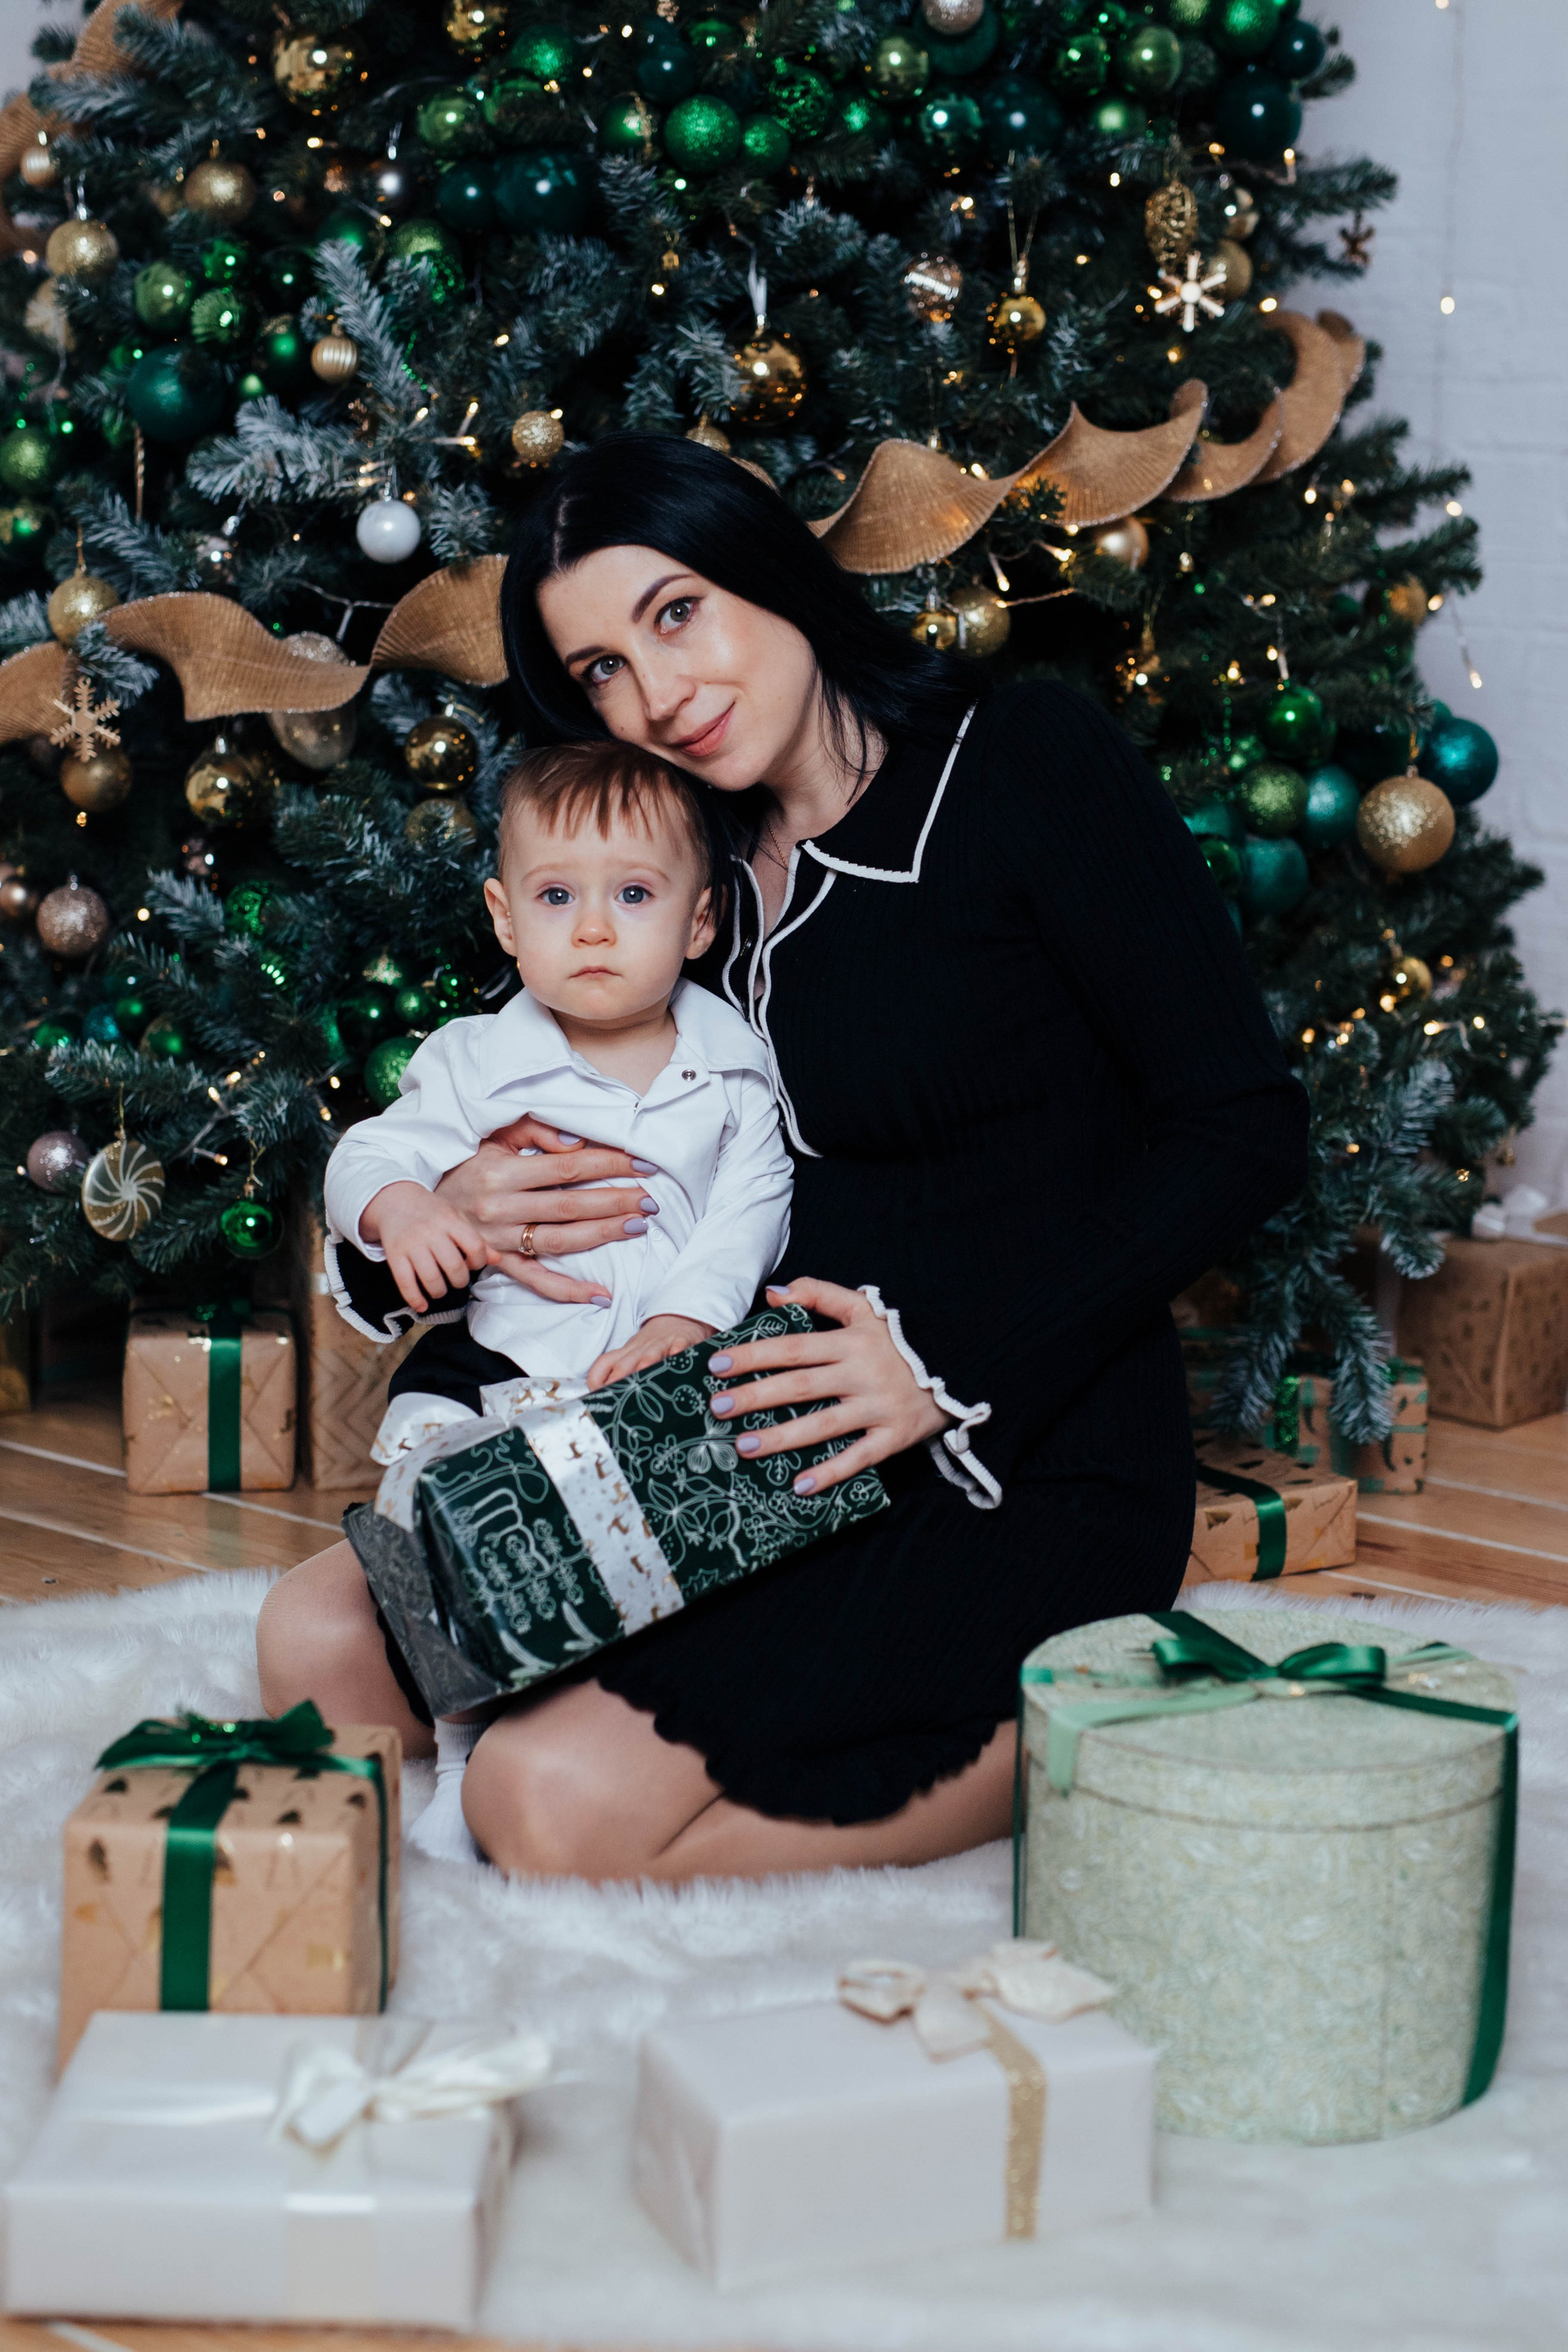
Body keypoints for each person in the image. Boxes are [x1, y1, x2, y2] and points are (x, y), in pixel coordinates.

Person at [258, 434, 1309, 1886]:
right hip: (738, 1428)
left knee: (542, 1806)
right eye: (604, 668)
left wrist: (944, 1364)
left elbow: (1244, 1127)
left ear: (767, 570)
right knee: (314, 1634)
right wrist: (440, 1208)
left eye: (676, 612)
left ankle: (1087, 1731)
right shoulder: (667, 860)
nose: (658, 692)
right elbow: (487, 1090)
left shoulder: (1021, 763)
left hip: (1014, 1447)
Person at [315, 739, 792, 1859]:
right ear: (504, 917)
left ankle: (566, 1724)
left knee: (626, 1558)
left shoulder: (731, 1072)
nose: (592, 930)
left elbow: (752, 1209)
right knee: (432, 1523)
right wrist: (406, 1207)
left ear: (699, 922)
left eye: (633, 896)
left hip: (644, 1373)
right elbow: (366, 1154)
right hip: (498, 1361)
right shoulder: (477, 1060)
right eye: (557, 897)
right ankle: (460, 1753)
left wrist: (685, 1320)